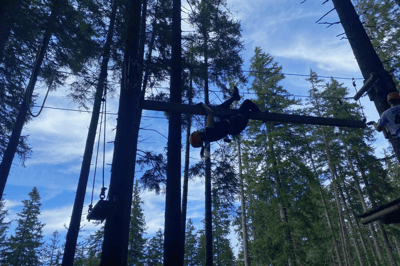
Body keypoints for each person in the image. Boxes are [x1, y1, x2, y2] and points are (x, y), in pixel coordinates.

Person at [189, 86, 266, 157]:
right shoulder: (208, 132)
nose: (198, 130)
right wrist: (202, 105)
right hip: (237, 123)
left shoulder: (208, 138)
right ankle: (263, 117)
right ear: (198, 136)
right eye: (197, 132)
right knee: (247, 102)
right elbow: (210, 113)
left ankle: (234, 97)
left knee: (220, 109)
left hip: (232, 125)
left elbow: (220, 128)